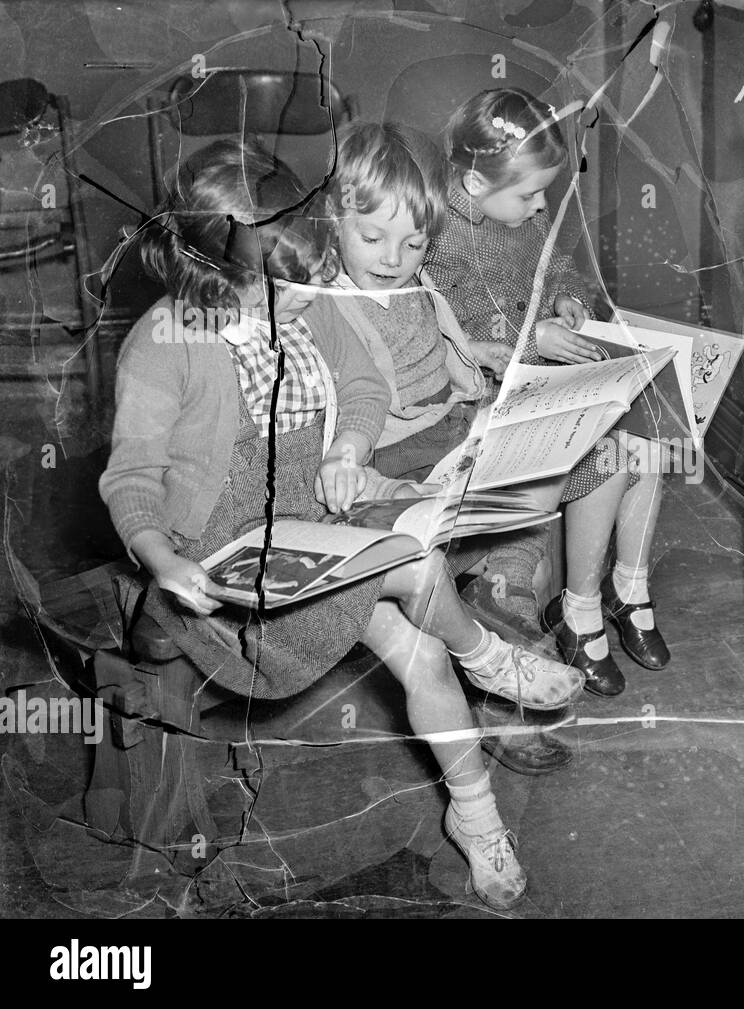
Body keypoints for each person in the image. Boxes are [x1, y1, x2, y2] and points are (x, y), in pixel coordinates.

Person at [98, 140, 583, 910]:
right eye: (286, 287)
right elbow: (131, 479)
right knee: (419, 568)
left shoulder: (303, 294)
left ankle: (477, 817)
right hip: (220, 558)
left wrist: (350, 448)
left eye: (311, 275)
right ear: (213, 276)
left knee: (421, 650)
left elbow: (361, 385)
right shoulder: (165, 343)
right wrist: (161, 558)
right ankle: (488, 655)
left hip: (311, 522)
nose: (309, 295)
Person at [320, 119, 575, 774]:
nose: (392, 257)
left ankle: (501, 615)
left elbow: (440, 346)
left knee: (528, 530)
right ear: (333, 220)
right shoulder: (327, 302)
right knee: (506, 533)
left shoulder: (412, 283)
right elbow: (352, 406)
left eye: (412, 243)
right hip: (397, 454)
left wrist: (486, 360)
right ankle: (498, 681)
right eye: (373, 238)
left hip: (451, 421)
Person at [425, 87, 671, 697]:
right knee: (611, 453)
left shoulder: (515, 216)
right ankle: (580, 610)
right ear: (477, 183)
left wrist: (568, 299)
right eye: (531, 194)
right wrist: (535, 336)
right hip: (479, 402)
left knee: (656, 432)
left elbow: (555, 264)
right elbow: (445, 327)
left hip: (536, 382)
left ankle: (629, 585)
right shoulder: (436, 234)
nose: (541, 207)